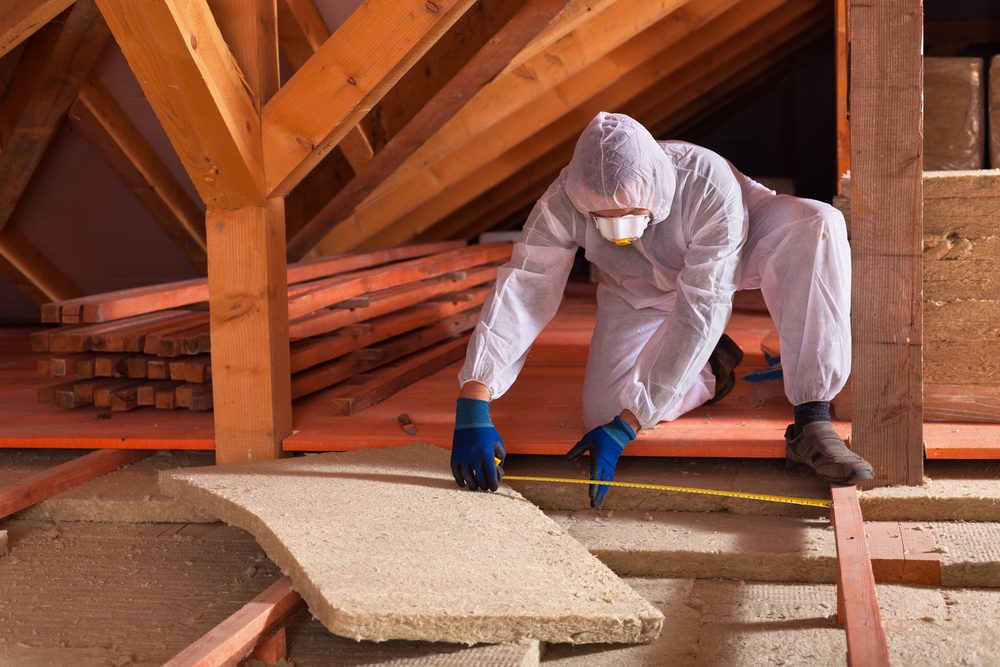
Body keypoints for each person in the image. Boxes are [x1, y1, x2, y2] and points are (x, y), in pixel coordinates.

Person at [450, 111, 873, 508]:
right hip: (638, 289)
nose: (618, 227)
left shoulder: (703, 181)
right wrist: (475, 399)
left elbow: (703, 305)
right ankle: (712, 365)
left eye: (630, 213)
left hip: (734, 254)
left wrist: (630, 424)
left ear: (655, 187)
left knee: (816, 224)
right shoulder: (562, 200)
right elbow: (525, 285)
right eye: (602, 216)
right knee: (602, 413)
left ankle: (811, 417)